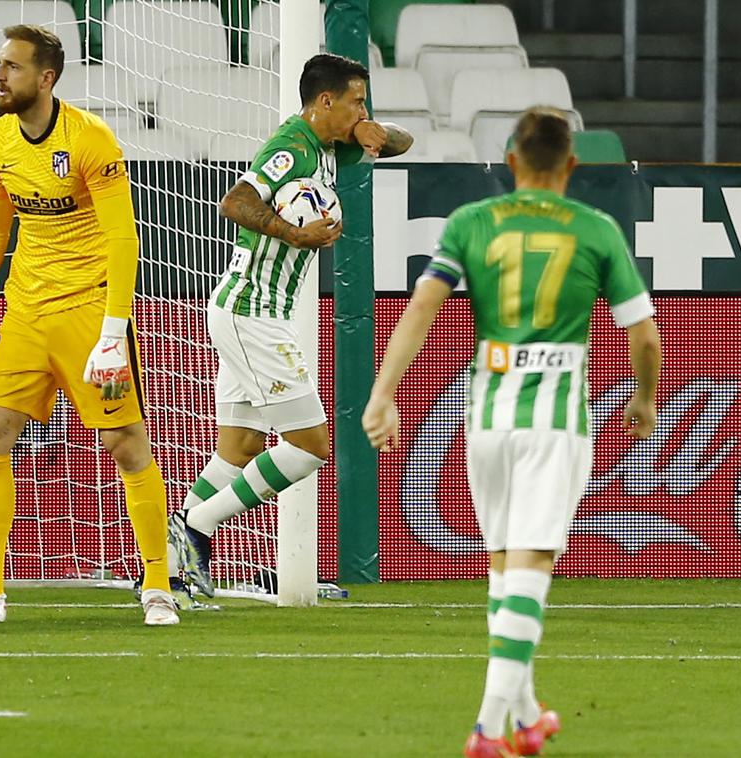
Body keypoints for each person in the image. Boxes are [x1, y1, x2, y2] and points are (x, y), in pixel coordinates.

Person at [362, 107, 661, 757]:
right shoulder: (596, 229)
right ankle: (486, 727)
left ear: (512, 161)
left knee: (504, 569)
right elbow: (644, 335)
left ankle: (526, 718)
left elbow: (421, 310)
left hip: (485, 420)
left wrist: (384, 394)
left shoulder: (472, 222)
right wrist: (643, 398)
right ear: (571, 167)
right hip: (554, 423)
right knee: (531, 565)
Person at [0, 25, 179, 627]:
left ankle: (159, 583)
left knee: (123, 442)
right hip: (27, 313)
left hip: (89, 313)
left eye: (11, 66)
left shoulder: (91, 139)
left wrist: (115, 329)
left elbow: (122, 236)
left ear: (46, 78)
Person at [166, 53, 413, 598]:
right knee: (309, 445)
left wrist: (376, 130)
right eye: (356, 101)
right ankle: (196, 528)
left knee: (241, 445)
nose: (361, 110)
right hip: (252, 311)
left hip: (250, 311)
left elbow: (405, 143)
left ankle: (167, 567)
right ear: (326, 101)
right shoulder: (292, 148)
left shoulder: (331, 145)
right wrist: (293, 233)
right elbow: (236, 201)